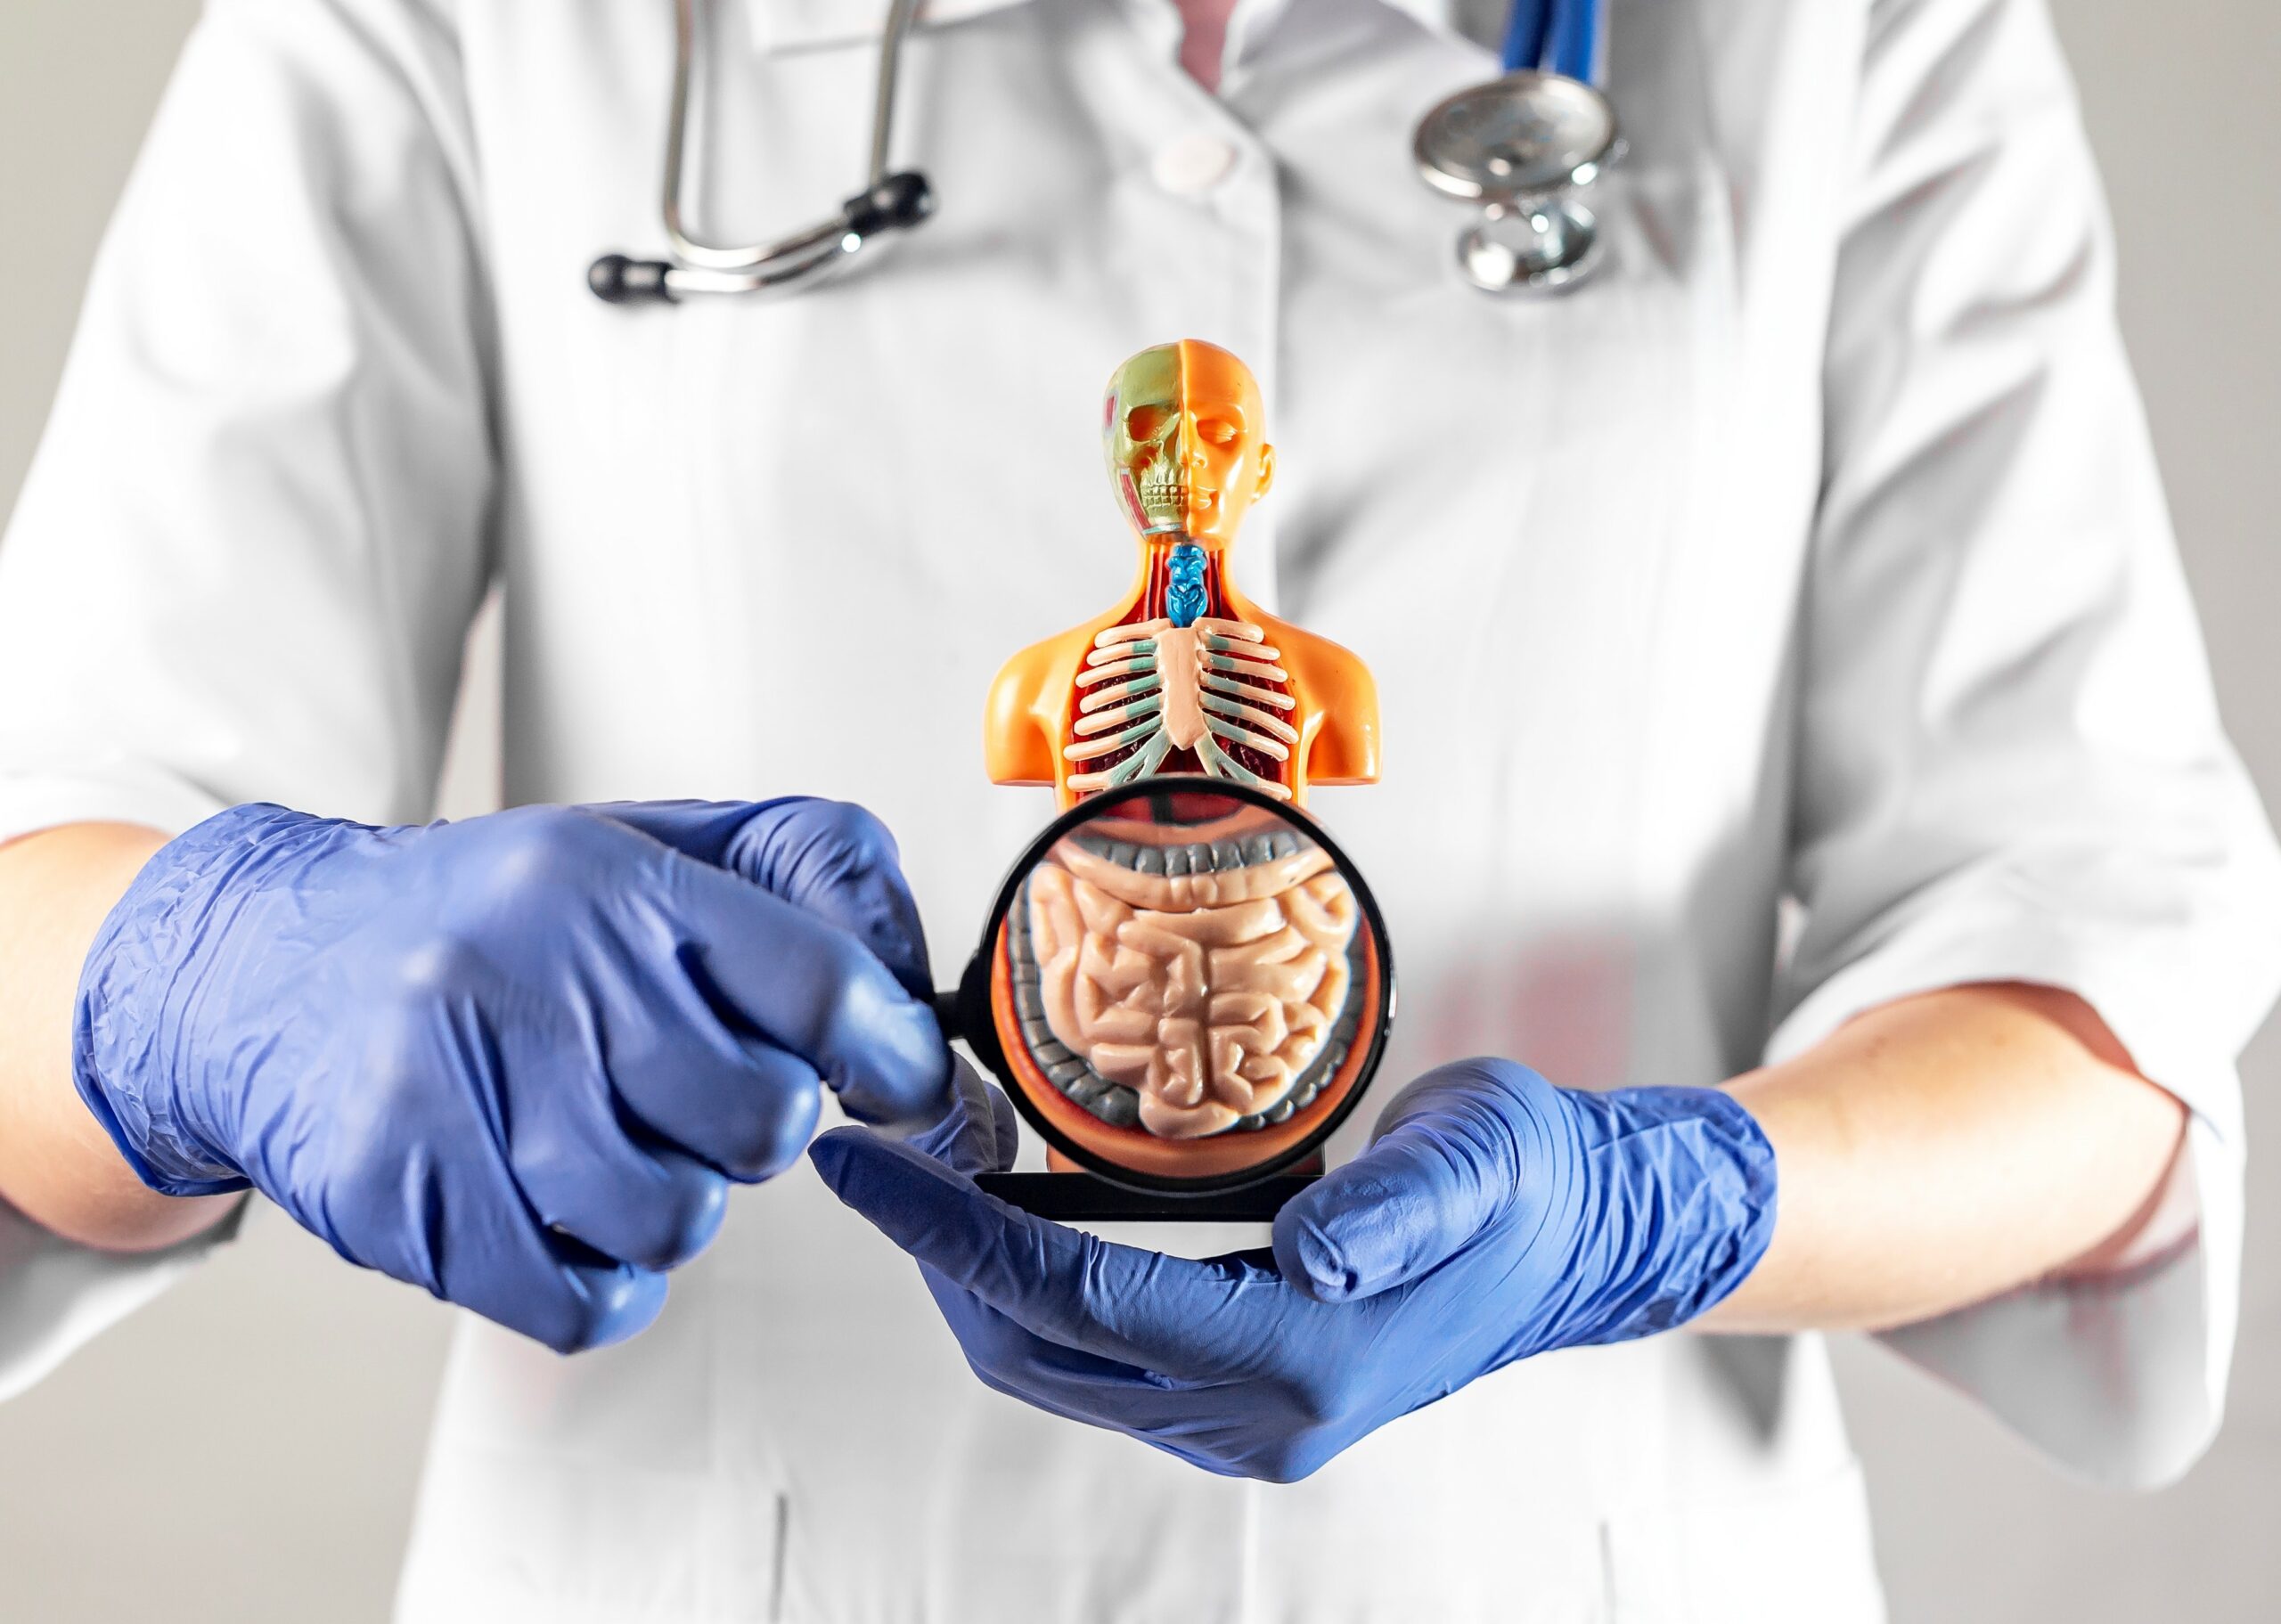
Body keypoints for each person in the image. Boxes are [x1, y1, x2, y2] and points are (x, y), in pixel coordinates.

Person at [1, 0, 2274, 1617]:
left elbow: (2103, 978)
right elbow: (42, 881)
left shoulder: (1865, 33)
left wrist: (1654, 1210)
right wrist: (204, 980)